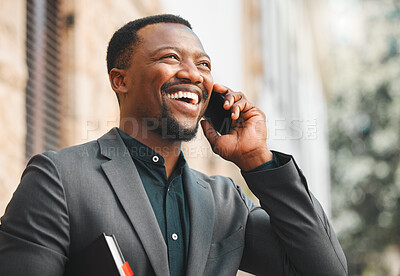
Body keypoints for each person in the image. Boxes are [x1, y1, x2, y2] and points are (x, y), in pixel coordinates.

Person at [0, 14, 347, 275]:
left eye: (203, 64)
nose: (193, 74)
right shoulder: (59, 179)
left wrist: (257, 158)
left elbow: (326, 269)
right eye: (170, 57)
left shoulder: (226, 203)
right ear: (120, 80)